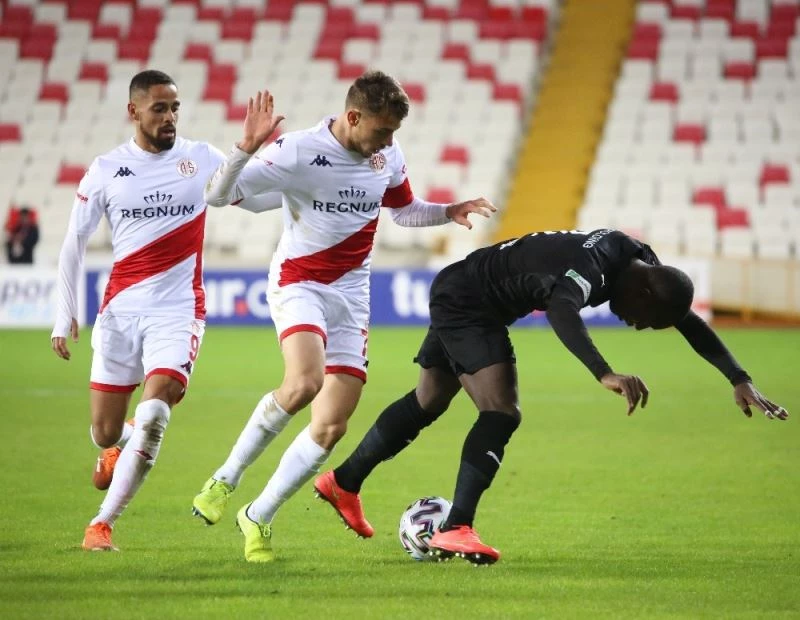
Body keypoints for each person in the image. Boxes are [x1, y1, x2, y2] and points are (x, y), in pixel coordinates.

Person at [313, 228, 790, 565]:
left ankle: (344, 481)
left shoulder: (638, 259)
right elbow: (562, 310)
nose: (639, 326)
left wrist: (738, 377)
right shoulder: (592, 269)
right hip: (469, 300)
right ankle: (456, 527)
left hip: (465, 284)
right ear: (644, 291)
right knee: (501, 411)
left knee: (430, 399)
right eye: (647, 320)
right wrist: (604, 372)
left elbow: (685, 319)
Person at [191, 70, 496, 562]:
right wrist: (245, 148)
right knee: (304, 383)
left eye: (394, 132)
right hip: (299, 281)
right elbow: (218, 195)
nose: (388, 141)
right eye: (382, 130)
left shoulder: (386, 154)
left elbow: (403, 210)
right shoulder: (297, 150)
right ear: (353, 116)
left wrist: (449, 210)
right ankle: (224, 480)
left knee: (331, 425)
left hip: (351, 295)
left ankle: (258, 514)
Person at [50, 69, 280, 552]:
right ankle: (117, 443)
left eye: (175, 107)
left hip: (178, 312)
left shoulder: (201, 158)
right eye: (159, 108)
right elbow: (74, 242)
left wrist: (309, 190)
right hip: (120, 312)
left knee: (155, 413)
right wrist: (63, 311)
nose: (170, 116)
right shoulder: (107, 169)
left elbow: (254, 200)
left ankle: (102, 524)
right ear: (133, 111)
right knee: (104, 431)